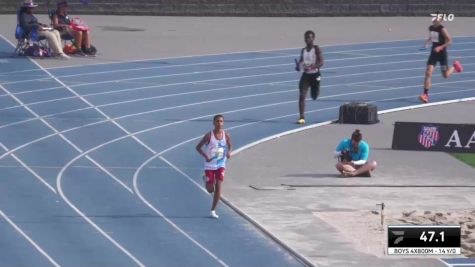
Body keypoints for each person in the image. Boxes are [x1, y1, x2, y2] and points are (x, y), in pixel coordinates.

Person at [195, 115, 233, 219]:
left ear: (223, 123)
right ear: (213, 123)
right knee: (210, 189)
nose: (219, 123)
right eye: (217, 121)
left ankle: (213, 210)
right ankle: (206, 179)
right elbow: (198, 147)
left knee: (219, 186)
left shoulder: (226, 135)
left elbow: (230, 145)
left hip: (221, 164)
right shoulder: (209, 136)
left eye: (221, 121)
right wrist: (206, 156)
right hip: (210, 165)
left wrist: (229, 152)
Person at [420, 17, 463, 103]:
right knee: (428, 72)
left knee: (445, 75)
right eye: (434, 18)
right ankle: (425, 95)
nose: (434, 20)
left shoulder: (442, 29)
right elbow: (433, 36)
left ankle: (454, 65)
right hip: (434, 53)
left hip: (442, 54)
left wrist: (440, 47)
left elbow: (450, 41)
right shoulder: (431, 27)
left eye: (437, 19)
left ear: (440, 21)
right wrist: (427, 42)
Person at [295, 30, 324, 125]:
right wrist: (298, 66)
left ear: (313, 38)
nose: (307, 39)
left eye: (309, 37)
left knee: (314, 96)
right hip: (306, 75)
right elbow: (300, 61)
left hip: (315, 74)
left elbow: (321, 62)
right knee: (302, 95)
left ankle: (317, 86)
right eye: (306, 37)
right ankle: (302, 117)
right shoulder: (303, 50)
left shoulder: (317, 49)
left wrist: (313, 66)